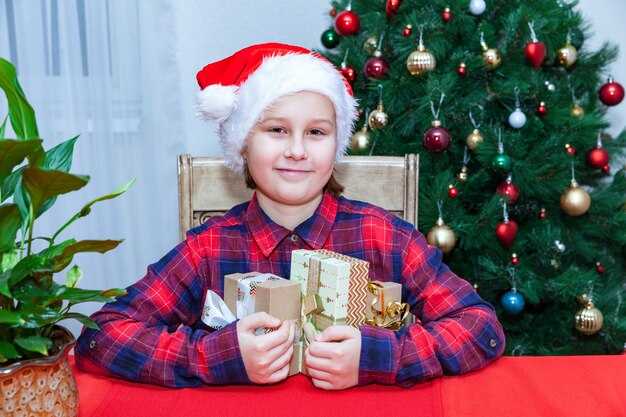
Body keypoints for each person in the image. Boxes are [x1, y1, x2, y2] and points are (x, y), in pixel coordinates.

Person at [75, 43, 505, 390]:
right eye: (277, 129)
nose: (297, 150)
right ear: (243, 144)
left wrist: (378, 356)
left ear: (336, 146)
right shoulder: (209, 247)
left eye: (316, 132)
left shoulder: (384, 237)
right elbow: (100, 337)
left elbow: (481, 328)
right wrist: (215, 356)